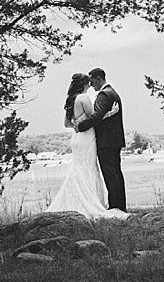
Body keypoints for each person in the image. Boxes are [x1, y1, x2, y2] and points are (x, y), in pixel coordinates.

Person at [44, 73, 128, 219]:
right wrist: (110, 113)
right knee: (89, 169)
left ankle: (77, 201)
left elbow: (67, 123)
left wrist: (77, 126)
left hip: (77, 139)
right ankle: (91, 202)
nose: (90, 85)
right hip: (87, 137)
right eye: (88, 82)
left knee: (79, 169)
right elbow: (95, 118)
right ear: (84, 84)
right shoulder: (84, 98)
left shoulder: (71, 100)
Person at [75, 67, 127, 212]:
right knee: (116, 173)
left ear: (99, 79)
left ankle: (115, 207)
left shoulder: (104, 94)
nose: (91, 86)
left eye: (92, 82)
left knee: (110, 174)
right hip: (114, 140)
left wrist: (81, 126)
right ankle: (120, 206)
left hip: (106, 141)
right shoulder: (113, 92)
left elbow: (96, 117)